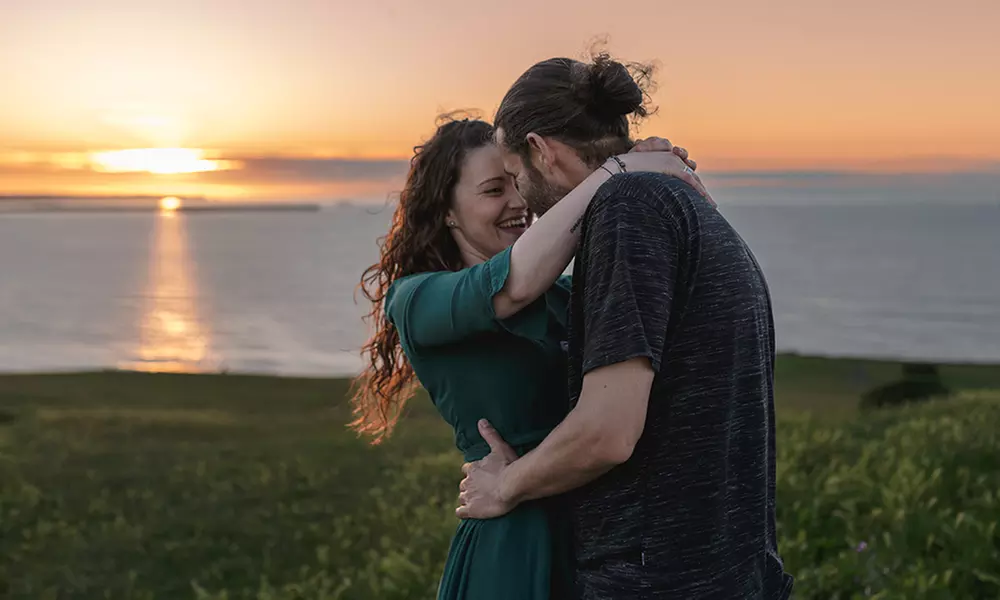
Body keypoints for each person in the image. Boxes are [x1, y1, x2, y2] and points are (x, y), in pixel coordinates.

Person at [455, 54, 795, 599]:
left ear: (541, 149)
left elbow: (607, 433)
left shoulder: (626, 211)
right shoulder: (685, 206)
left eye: (516, 175)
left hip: (656, 579)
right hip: (731, 572)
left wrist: (505, 485)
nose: (523, 201)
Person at [351, 114, 707, 599]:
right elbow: (512, 284)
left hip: (601, 540)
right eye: (494, 190)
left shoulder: (566, 298)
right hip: (515, 544)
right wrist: (619, 171)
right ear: (448, 211)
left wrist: (658, 177)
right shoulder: (417, 300)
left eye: (517, 181)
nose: (519, 203)